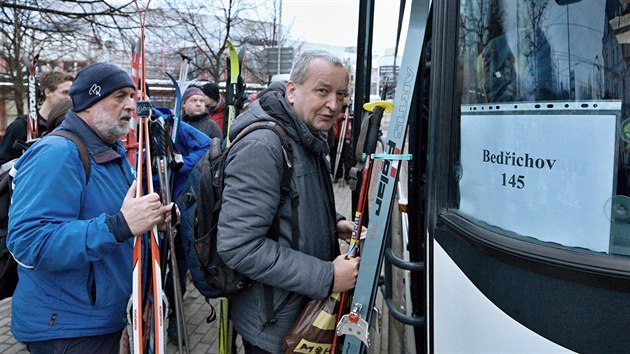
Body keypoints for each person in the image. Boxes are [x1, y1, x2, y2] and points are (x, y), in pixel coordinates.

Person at [7, 62, 175, 354]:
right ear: (89, 101)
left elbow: (116, 215)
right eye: (119, 96)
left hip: (100, 317)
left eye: (131, 96)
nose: (130, 105)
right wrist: (119, 225)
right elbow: (28, 242)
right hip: (67, 328)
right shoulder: (58, 153)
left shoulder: (111, 151)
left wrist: (152, 219)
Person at [216, 50, 360, 353]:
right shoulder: (264, 146)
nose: (334, 105)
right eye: (322, 91)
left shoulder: (305, 133)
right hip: (273, 325)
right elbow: (238, 245)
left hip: (298, 311)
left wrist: (333, 224)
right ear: (292, 91)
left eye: (341, 94)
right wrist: (328, 276)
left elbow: (291, 201)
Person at [0, 70, 74, 165]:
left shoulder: (68, 126)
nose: (69, 98)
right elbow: (3, 164)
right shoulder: (21, 126)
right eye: (65, 92)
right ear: (48, 92)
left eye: (72, 93)